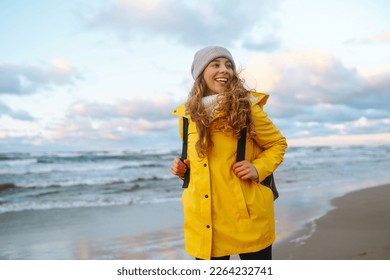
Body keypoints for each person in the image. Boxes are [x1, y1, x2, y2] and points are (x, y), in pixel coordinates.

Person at [170, 46, 287, 260]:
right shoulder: (187, 115)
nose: (225, 70)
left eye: (229, 65)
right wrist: (181, 168)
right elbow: (198, 160)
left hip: (246, 215)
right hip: (205, 218)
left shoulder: (247, 107)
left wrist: (257, 167)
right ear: (200, 72)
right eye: (215, 64)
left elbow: (277, 144)